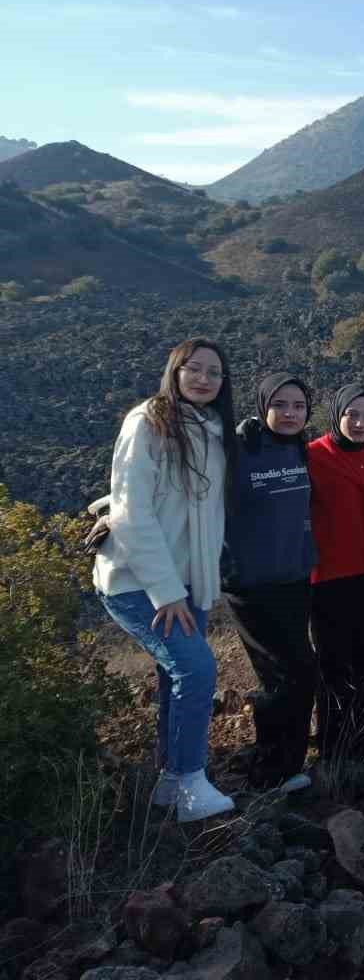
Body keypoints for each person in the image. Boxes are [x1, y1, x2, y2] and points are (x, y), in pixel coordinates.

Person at [94, 338, 237, 821]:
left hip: (188, 581)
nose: (203, 379)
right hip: (139, 582)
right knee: (196, 670)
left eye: (213, 372)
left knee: (175, 675)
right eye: (193, 369)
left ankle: (171, 784)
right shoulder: (148, 421)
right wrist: (166, 592)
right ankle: (191, 782)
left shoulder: (213, 429)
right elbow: (130, 511)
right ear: (174, 372)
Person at [221, 372, 317, 793]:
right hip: (250, 585)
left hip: (294, 579)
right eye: (280, 405)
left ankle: (287, 764)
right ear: (263, 407)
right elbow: (184, 485)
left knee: (296, 673)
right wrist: (118, 510)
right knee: (286, 674)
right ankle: (269, 770)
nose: (290, 413)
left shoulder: (299, 448)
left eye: (298, 406)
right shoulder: (238, 449)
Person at [306, 384, 364, 763]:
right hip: (330, 578)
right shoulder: (312, 456)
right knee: (333, 663)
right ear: (337, 414)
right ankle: (334, 744)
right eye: (352, 415)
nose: (360, 423)